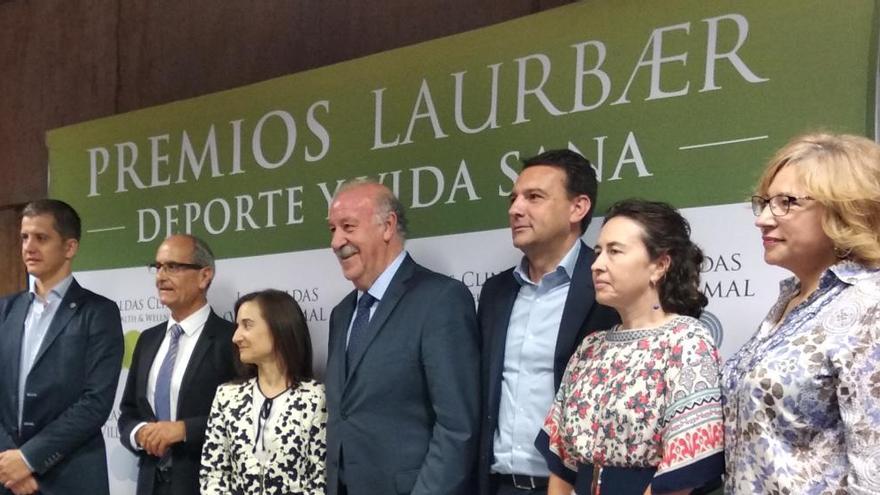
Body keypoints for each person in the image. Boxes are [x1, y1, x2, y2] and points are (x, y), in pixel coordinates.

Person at [722, 133, 880, 494]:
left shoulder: (869, 306)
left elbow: (874, 473)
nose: (762, 219)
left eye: (786, 203)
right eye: (764, 202)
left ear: (846, 208)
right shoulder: (791, 298)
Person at [537, 199, 724, 495]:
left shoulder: (686, 341)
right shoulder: (590, 348)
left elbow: (682, 471)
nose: (597, 265)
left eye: (614, 251)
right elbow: (561, 461)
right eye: (598, 253)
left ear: (660, 265)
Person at [325, 180, 480, 495]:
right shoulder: (341, 314)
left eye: (348, 226)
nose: (336, 241)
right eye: (332, 229)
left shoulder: (440, 300)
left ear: (388, 226)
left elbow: (457, 428)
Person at [478, 149, 618, 495]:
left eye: (534, 197)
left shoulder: (609, 287)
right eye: (513, 199)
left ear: (578, 207)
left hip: (574, 487)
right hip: (498, 485)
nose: (515, 209)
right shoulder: (496, 292)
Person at [0, 199, 124, 495]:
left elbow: (95, 402)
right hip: (7, 477)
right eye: (24, 237)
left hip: (70, 478)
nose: (29, 247)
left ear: (69, 248)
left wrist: (30, 459)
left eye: (41, 238)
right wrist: (10, 462)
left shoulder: (98, 312)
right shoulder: (6, 310)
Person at [118, 234, 236, 495]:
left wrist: (184, 430)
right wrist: (140, 434)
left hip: (203, 484)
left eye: (172, 267)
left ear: (204, 276)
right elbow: (127, 411)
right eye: (157, 267)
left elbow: (242, 420)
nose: (160, 276)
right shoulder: (148, 339)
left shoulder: (232, 340)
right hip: (150, 484)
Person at [201, 289, 326, 494]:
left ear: (279, 327)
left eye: (247, 325)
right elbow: (213, 472)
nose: (235, 337)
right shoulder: (227, 396)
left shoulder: (316, 397)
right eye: (237, 326)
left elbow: (319, 479)